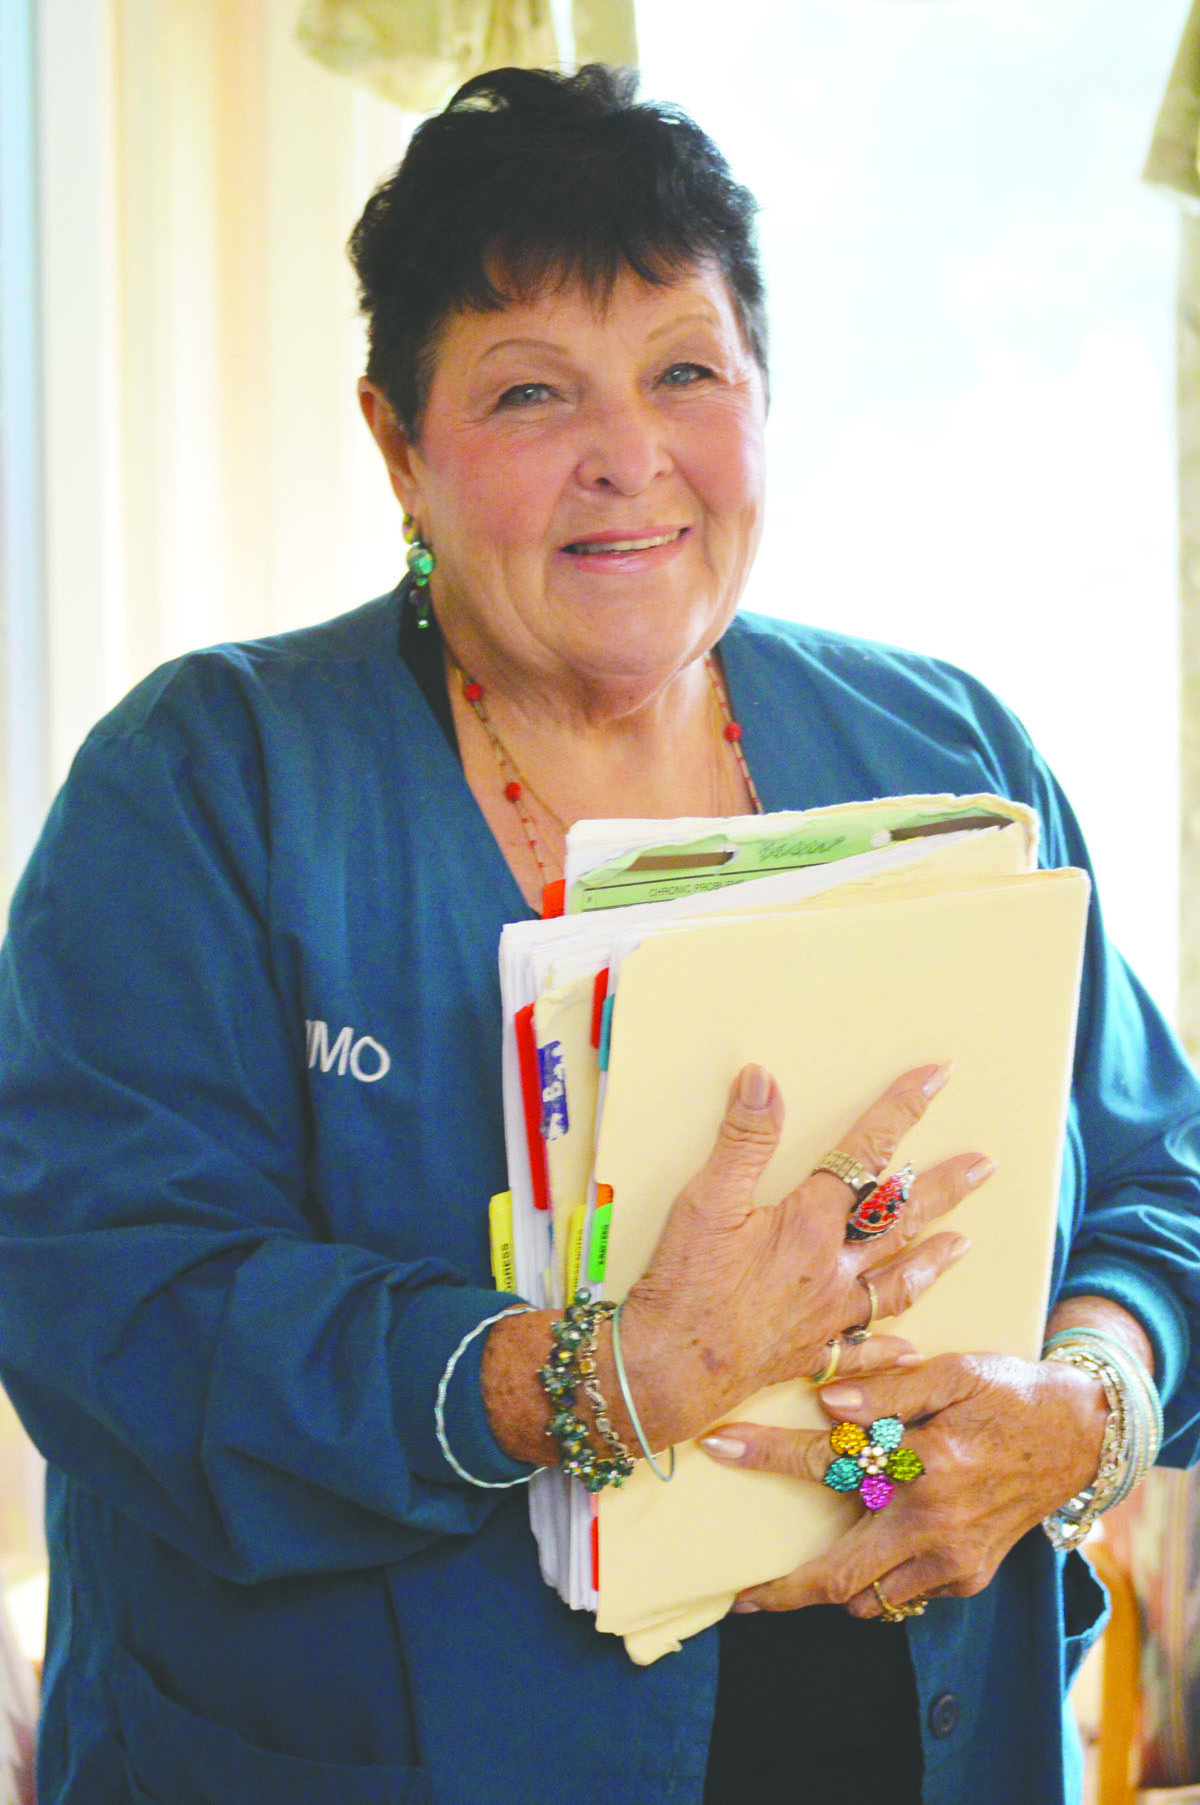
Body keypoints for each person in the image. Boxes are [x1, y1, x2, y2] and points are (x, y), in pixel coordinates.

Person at [0, 62, 1197, 1805]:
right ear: (396, 446)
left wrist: (1082, 1414)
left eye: (686, 371)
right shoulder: (206, 785)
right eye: (528, 390)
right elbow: (108, 1301)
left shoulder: (951, 753)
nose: (627, 457)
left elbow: (1166, 1187)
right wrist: (583, 1379)